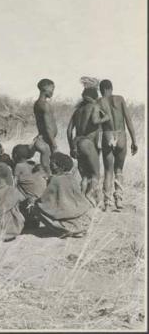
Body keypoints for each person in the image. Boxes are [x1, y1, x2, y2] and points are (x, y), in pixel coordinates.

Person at [98, 79, 138, 210]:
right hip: (121, 135)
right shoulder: (120, 99)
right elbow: (128, 121)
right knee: (119, 169)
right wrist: (134, 141)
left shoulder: (99, 102)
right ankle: (119, 199)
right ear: (111, 88)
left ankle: (107, 202)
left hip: (107, 134)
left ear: (101, 89)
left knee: (108, 171)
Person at [67, 87, 110, 207]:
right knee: (95, 174)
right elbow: (95, 121)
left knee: (85, 176)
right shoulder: (94, 107)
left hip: (77, 143)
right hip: (88, 143)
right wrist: (106, 117)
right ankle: (90, 196)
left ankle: (83, 201)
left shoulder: (77, 110)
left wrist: (72, 147)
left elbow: (69, 130)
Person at [33, 152, 93, 238]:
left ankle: (62, 230)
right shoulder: (72, 178)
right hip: (79, 211)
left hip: (65, 213)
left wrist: (34, 201)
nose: (50, 165)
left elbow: (45, 200)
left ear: (60, 166)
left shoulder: (55, 180)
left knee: (36, 207)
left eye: (52, 163)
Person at [12, 144, 46, 229]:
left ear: (15, 155)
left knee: (15, 190)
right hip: (42, 194)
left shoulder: (18, 166)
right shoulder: (33, 164)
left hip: (31, 197)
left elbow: (14, 183)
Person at [32, 79, 58, 176]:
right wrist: (54, 143)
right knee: (47, 170)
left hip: (47, 139)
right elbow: (47, 126)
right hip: (47, 140)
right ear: (45, 88)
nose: (53, 91)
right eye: (52, 88)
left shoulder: (38, 103)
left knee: (49, 168)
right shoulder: (44, 105)